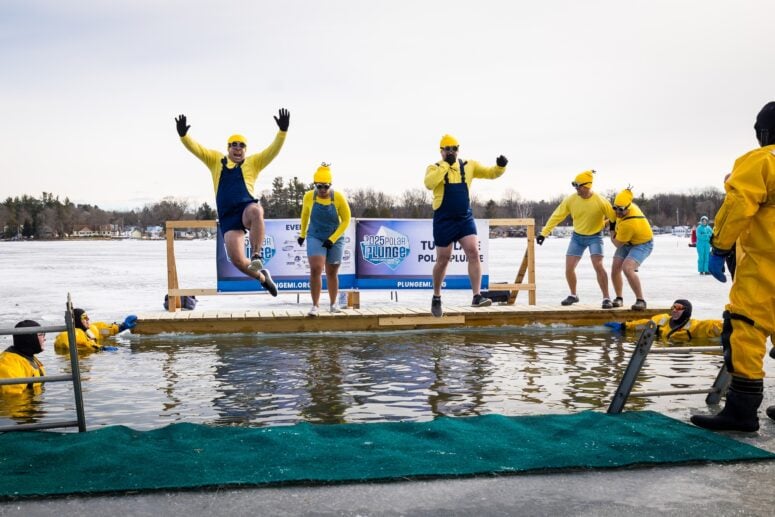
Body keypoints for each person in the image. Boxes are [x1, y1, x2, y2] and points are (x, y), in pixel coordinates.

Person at [690, 101, 775, 433]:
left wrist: (720, 246)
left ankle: (741, 412)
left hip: (766, 265)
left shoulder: (762, 161)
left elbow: (738, 204)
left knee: (745, 329)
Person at [175, 109, 290, 297]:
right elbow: (197, 149)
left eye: (241, 146)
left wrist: (282, 132)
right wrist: (184, 135)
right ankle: (263, 278)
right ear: (228, 148)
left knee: (257, 211)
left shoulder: (253, 163)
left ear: (246, 150)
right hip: (228, 216)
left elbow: (272, 151)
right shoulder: (216, 161)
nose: (237, 149)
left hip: (245, 210)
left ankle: (256, 255)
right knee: (237, 261)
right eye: (233, 145)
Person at [424, 134, 508, 317]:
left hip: (464, 218)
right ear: (441, 151)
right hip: (443, 219)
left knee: (473, 252)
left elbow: (490, 173)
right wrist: (447, 164)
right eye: (447, 149)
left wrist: (500, 167)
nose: (451, 151)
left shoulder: (469, 166)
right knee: (443, 259)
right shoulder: (435, 167)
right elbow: (429, 184)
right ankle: (436, 297)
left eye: (454, 148)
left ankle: (477, 296)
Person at [536, 170, 616, 308]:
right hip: (577, 237)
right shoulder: (571, 199)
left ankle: (606, 298)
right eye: (574, 185)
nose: (576, 188)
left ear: (587, 186)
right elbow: (557, 216)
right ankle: (573, 295)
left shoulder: (601, 201)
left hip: (595, 237)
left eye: (578, 185)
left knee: (598, 265)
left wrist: (615, 233)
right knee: (569, 268)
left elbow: (615, 218)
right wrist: (544, 233)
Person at [297, 163, 352, 316]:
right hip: (315, 235)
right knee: (316, 268)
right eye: (318, 186)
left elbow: (346, 220)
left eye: (325, 187)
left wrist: (333, 239)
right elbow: (305, 215)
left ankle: (333, 304)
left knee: (332, 271)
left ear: (330, 185)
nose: (322, 190)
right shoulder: (309, 196)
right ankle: (315, 305)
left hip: (335, 236)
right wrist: (302, 234)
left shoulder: (338, 198)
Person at [609, 187, 654, 310]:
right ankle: (619, 298)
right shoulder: (624, 206)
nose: (617, 212)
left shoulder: (630, 223)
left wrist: (611, 230)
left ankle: (641, 300)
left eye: (621, 210)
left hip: (643, 244)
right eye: (615, 208)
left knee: (627, 268)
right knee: (615, 268)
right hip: (628, 242)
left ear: (628, 208)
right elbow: (614, 217)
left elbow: (617, 243)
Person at [604, 299, 722, 342]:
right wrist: (624, 326)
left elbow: (711, 325)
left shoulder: (694, 326)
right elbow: (644, 324)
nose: (674, 310)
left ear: (686, 311)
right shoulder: (662, 319)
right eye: (673, 307)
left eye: (679, 308)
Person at [54, 309, 136, 353]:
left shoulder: (92, 329)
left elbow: (104, 330)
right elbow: (86, 344)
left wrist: (122, 327)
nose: (88, 319)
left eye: (87, 317)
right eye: (84, 317)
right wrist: (102, 348)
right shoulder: (75, 334)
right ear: (77, 321)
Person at [0, 320, 46, 396]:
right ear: (30, 339)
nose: (44, 339)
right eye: (41, 334)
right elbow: (12, 401)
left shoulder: (27, 356)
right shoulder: (11, 364)